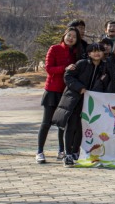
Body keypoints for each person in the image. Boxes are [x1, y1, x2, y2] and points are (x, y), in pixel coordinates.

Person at [52, 43, 108, 168]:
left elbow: (103, 83)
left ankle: (76, 152)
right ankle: (68, 154)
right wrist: (80, 88)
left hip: (90, 103)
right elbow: (68, 76)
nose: (96, 53)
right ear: (88, 54)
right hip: (75, 100)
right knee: (71, 126)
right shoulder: (81, 63)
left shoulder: (104, 67)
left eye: (99, 51)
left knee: (82, 128)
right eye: (93, 51)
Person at [36, 27, 83, 164]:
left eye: (74, 37)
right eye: (69, 35)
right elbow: (49, 69)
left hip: (67, 93)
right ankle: (39, 151)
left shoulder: (77, 53)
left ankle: (61, 150)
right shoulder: (54, 48)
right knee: (46, 123)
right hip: (52, 91)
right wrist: (65, 68)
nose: (71, 38)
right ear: (64, 36)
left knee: (63, 123)